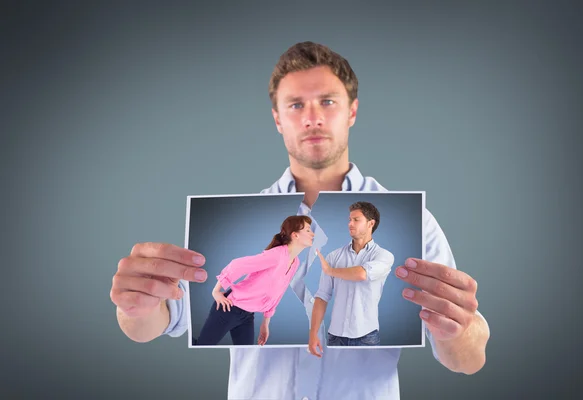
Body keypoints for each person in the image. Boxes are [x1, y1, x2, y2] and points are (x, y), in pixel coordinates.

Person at [110, 41, 490, 400]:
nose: (312, 118)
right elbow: (159, 318)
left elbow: (467, 358)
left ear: (352, 111)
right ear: (277, 118)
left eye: (327, 101)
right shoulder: (234, 221)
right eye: (295, 105)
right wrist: (135, 307)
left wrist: (462, 327)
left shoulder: (414, 223)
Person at [194, 215, 314, 346]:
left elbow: (278, 292)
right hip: (229, 308)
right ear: (295, 235)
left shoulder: (295, 262)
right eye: (308, 230)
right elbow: (237, 265)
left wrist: (265, 323)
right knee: (202, 346)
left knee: (247, 353)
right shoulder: (277, 255)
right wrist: (216, 291)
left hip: (247, 316)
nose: (312, 234)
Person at [309, 201, 394, 349]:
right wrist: (313, 334)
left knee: (368, 373)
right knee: (332, 373)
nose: (350, 224)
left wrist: (330, 271)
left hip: (367, 337)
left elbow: (361, 274)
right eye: (349, 219)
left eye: (356, 220)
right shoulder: (334, 256)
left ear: (370, 223)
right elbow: (322, 296)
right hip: (335, 336)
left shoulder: (384, 256)